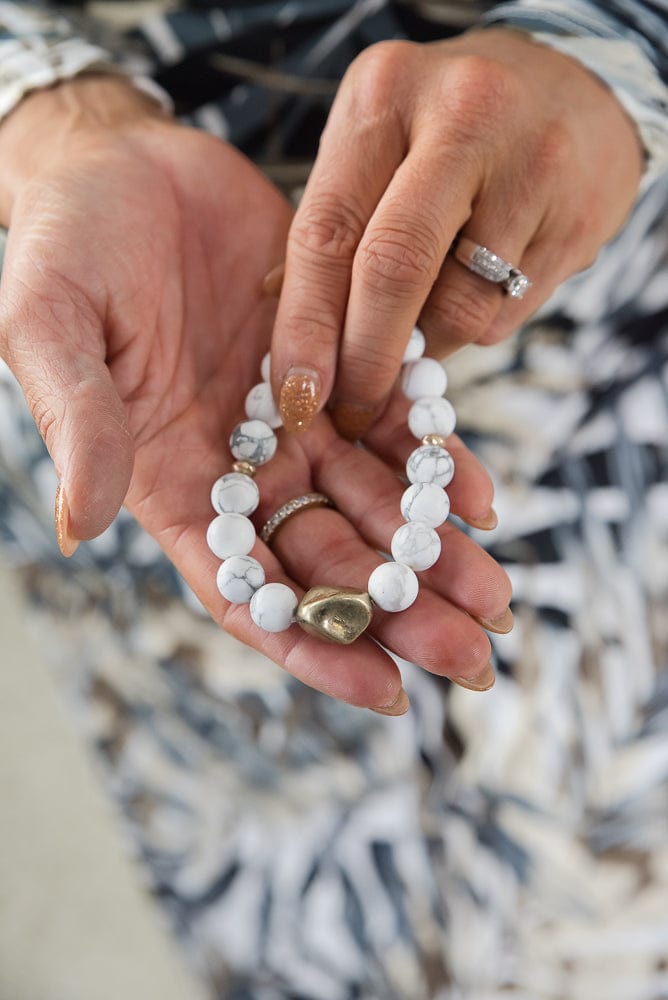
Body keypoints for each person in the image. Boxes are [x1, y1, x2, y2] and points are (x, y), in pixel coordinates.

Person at [0, 2, 666, 997]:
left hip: (597, 353)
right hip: (144, 354)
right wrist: (52, 112)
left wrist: (616, 46)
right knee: (297, 908)